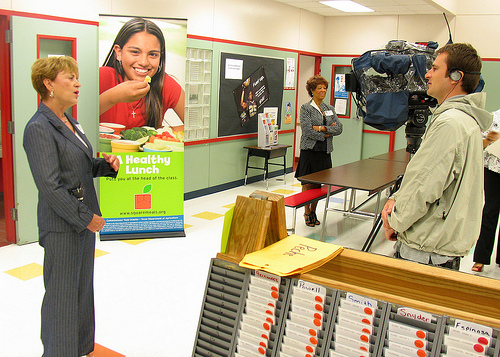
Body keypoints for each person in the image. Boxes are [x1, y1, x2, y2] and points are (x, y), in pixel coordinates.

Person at [24, 56, 120, 356]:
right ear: (49, 84)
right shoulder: (39, 127)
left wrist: (105, 166)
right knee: (61, 298)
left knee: (80, 292)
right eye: (70, 78)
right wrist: (85, 218)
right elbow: (50, 186)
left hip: (82, 222)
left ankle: (79, 347)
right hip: (64, 226)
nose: (78, 83)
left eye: (77, 77)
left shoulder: (70, 121)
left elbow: (78, 165)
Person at [381, 43, 493, 270]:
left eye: (434, 68)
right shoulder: (465, 120)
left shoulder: (450, 123)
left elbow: (424, 186)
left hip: (425, 250)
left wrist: (394, 220)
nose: (428, 74)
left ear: (455, 76)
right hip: (439, 246)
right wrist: (396, 198)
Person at [99, 17, 185, 130]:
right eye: (135, 52)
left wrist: (160, 133)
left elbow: (197, 125)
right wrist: (114, 96)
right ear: (119, 52)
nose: (143, 62)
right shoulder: (102, 76)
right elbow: (76, 119)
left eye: (153, 54)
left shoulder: (165, 84)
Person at [295, 75, 343, 227]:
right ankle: (306, 211)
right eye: (320, 88)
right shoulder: (306, 108)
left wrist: (322, 128)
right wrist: (326, 135)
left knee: (319, 184)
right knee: (307, 182)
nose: (323, 91)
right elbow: (307, 130)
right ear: (312, 90)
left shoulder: (329, 108)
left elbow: (339, 128)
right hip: (310, 150)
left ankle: (314, 211)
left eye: (325, 88)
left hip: (325, 151)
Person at [472, 109, 500, 272]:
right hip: (493, 169)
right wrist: (489, 139)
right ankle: (481, 258)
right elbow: (479, 141)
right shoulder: (493, 116)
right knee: (490, 210)